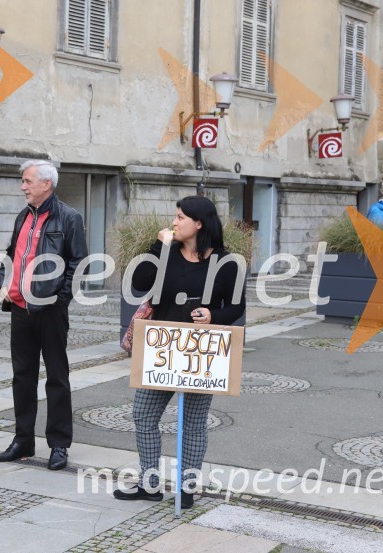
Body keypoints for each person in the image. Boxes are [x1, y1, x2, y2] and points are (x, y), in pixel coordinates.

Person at [113, 195, 245, 509]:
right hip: (160, 346)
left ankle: (187, 488)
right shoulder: (168, 253)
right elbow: (138, 282)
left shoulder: (227, 263)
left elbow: (237, 307)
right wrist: (158, 247)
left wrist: (213, 316)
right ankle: (150, 484)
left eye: (181, 217)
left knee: (194, 423)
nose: (174, 222)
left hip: (199, 350)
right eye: (176, 216)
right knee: (143, 415)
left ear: (199, 223)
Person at [0, 160, 88, 471]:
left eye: (28, 181)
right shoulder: (24, 215)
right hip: (20, 309)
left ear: (47, 184)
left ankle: (59, 444)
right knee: (22, 377)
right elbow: (12, 255)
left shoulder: (69, 217)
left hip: (50, 312)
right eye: (23, 181)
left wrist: (59, 300)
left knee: (57, 379)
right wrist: (2, 283)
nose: (23, 186)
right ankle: (23, 440)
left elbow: (79, 264)